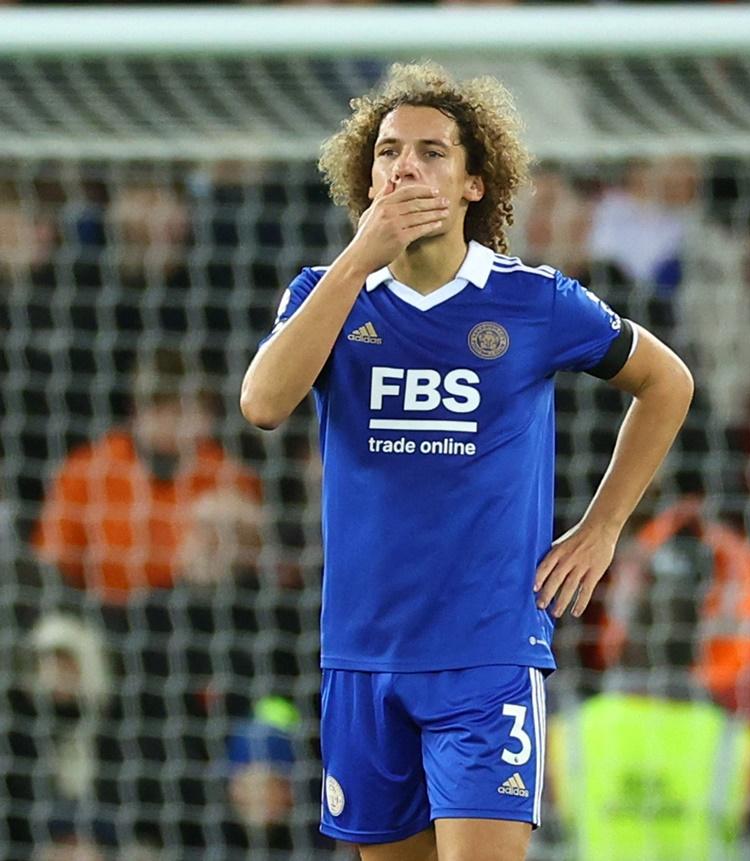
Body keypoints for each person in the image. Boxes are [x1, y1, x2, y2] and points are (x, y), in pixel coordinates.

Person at [239, 62, 693, 861]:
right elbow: (263, 403)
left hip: (486, 658)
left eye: (431, 152)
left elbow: (667, 382)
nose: (404, 166)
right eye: (387, 152)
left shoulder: (535, 300)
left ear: (475, 182)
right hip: (362, 658)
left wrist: (601, 528)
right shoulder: (326, 294)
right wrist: (358, 260)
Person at [548, 516, 750, 861]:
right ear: (699, 631)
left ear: (626, 621)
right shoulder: (732, 740)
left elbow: (540, 845)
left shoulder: (568, 732)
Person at [33, 347, 260, 604]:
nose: (195, 425)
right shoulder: (88, 469)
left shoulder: (225, 473)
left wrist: (241, 535)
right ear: (140, 410)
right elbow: (51, 562)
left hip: (194, 610)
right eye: (177, 412)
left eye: (201, 411)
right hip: (99, 615)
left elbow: (260, 563)